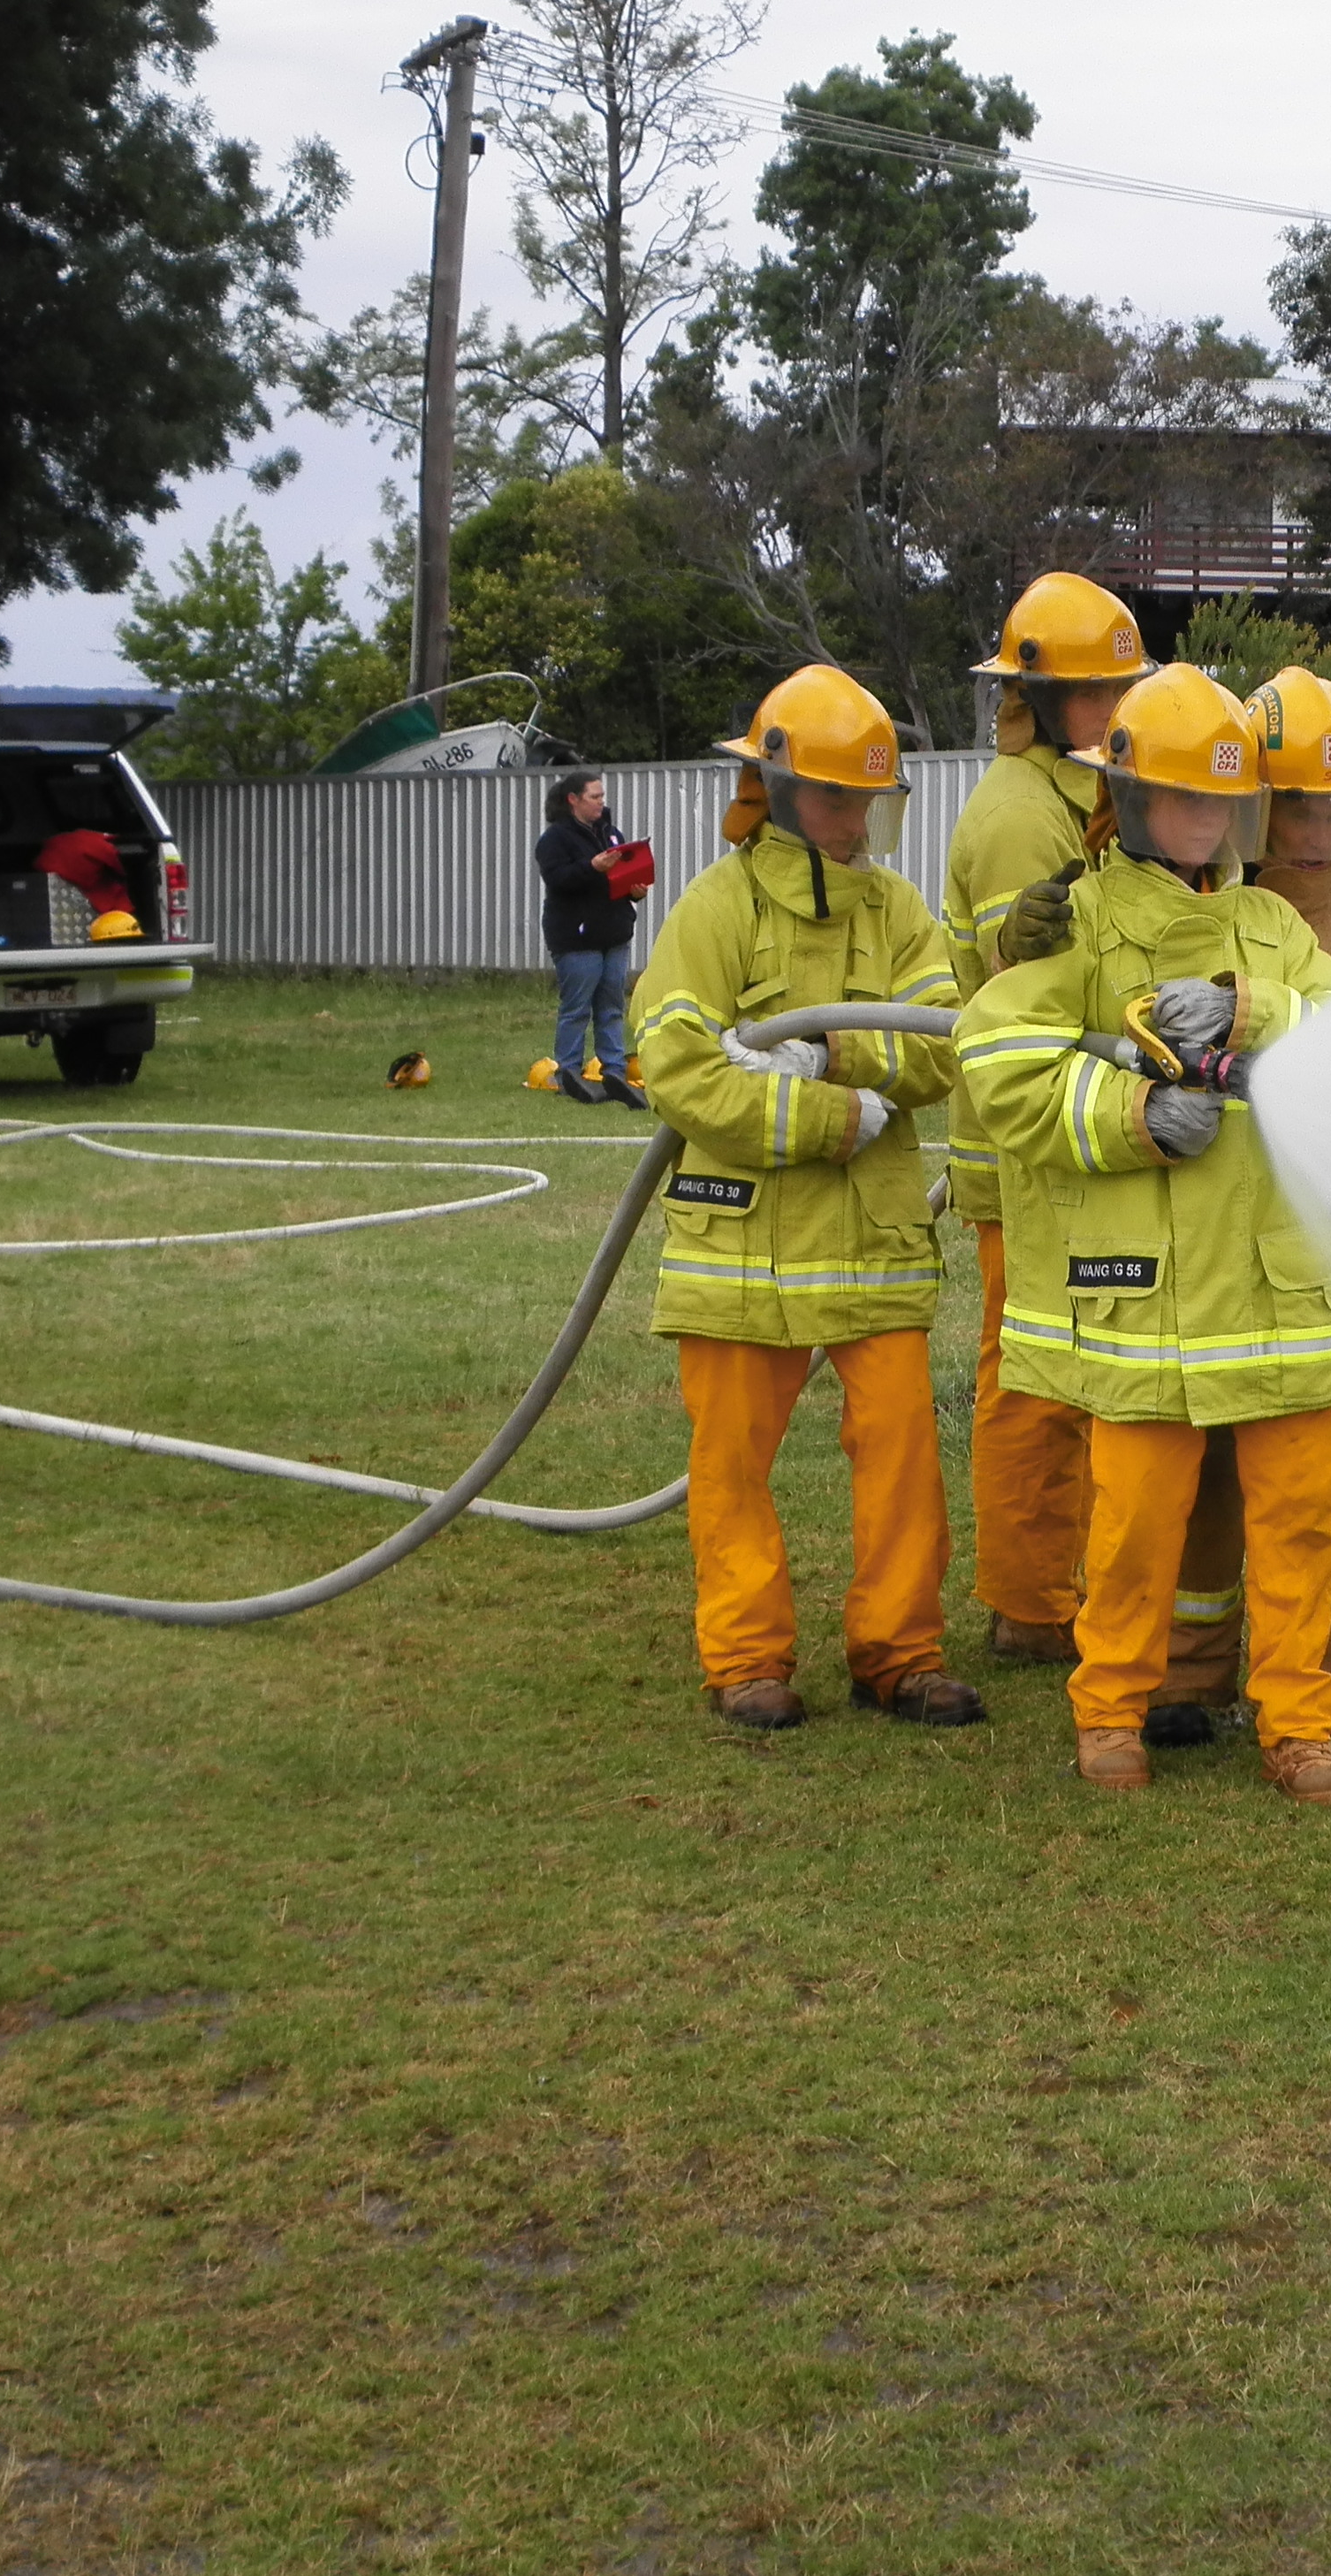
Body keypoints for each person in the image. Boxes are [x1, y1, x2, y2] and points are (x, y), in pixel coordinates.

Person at [956, 663, 1331, 1804]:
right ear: (1130, 800)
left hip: (1279, 1288)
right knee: (1134, 1529)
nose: (1209, 823)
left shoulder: (1272, 925)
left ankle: (1300, 1726)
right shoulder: (1072, 924)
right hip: (1141, 1304)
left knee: (1303, 1520)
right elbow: (998, 1070)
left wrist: (1260, 1011)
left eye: (1226, 802)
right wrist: (1133, 1115)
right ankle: (1110, 1717)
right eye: (1188, 799)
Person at [627, 666, 981, 1732]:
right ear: (775, 785)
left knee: (903, 1465)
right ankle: (746, 1660)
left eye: (867, 800)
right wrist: (833, 1113)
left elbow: (941, 1044)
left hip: (871, 1244)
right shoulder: (716, 908)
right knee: (730, 1467)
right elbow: (675, 1064)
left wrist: (824, 1054)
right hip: (738, 1253)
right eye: (835, 797)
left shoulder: (898, 909)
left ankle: (900, 1654)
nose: (854, 821)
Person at [1146, 667, 1331, 1755]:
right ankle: (1185, 1677)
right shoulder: (1221, 907)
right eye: (1302, 804)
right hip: (1234, 1217)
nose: (1322, 827)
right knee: (1214, 1442)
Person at [941, 573, 1150, 1665]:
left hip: (1059, 1134)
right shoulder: (1021, 816)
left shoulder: (1070, 793)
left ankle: (1050, 1590)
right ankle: (1028, 1607)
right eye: (1101, 691)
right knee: (1031, 1384)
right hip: (1025, 1149)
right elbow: (1038, 994)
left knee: (1064, 1375)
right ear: (1040, 698)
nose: (1119, 710)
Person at [537, 769, 647, 1110]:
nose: (602, 802)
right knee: (577, 1008)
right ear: (573, 800)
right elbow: (559, 879)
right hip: (576, 936)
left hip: (614, 931)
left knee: (611, 1006)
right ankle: (567, 1072)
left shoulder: (612, 835)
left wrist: (635, 890)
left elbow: (620, 877)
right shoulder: (554, 839)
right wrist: (593, 867)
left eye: (602, 796)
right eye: (594, 797)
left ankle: (613, 1072)